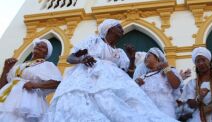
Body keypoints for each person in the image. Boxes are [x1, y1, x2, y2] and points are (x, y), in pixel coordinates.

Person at [43, 19, 178, 122]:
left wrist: (131, 59)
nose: (123, 30)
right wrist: (82, 60)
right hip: (86, 78)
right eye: (119, 27)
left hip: (112, 81)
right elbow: (71, 58)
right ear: (109, 29)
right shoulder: (93, 41)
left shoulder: (119, 52)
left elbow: (127, 75)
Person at [0, 39, 62, 122]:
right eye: (38, 45)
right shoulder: (19, 66)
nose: (39, 47)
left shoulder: (47, 65)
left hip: (28, 102)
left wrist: (35, 85)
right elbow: (2, 87)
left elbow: (57, 83)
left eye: (43, 47)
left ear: (46, 54)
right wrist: (6, 69)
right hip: (7, 98)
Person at [135, 48, 181, 118]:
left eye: (148, 56)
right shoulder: (143, 77)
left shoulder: (167, 71)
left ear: (157, 58)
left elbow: (176, 85)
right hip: (148, 111)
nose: (145, 59)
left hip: (166, 110)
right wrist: (136, 83)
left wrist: (166, 68)